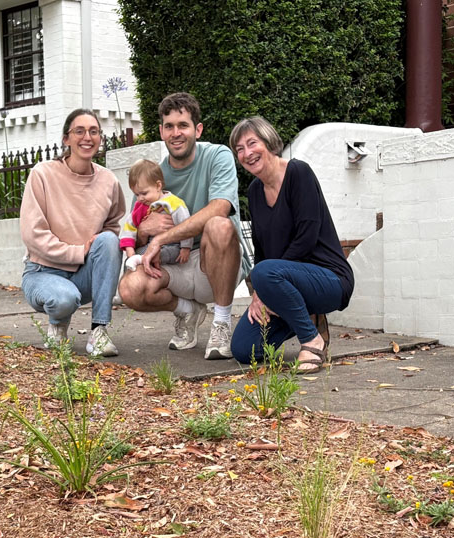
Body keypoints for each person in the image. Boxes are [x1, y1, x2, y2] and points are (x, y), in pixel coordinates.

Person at [117, 92, 251, 359]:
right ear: (161, 131)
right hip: (173, 266)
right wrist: (145, 232)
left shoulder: (217, 156)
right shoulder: (153, 176)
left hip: (213, 264)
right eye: (169, 127)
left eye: (183, 125)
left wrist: (161, 238)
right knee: (129, 289)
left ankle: (221, 323)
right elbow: (134, 230)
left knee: (218, 225)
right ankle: (188, 311)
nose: (176, 133)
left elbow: (221, 207)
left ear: (197, 129)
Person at [227, 116, 354, 372]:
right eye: (239, 149)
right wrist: (259, 294)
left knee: (264, 272)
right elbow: (261, 249)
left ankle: (311, 340)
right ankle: (306, 315)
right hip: (282, 284)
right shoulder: (254, 191)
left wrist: (264, 282)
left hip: (329, 279)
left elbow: (307, 238)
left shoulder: (298, 172)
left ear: (269, 142)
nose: (247, 153)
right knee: (244, 349)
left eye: (252, 143)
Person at [19, 108, 125, 357]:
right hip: (42, 272)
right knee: (65, 299)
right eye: (79, 131)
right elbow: (33, 234)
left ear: (100, 138)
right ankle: (58, 323)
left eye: (94, 131)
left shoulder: (109, 181)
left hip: (83, 274)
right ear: (66, 139)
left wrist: (92, 249)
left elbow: (112, 225)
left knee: (110, 240)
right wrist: (78, 251)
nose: (87, 137)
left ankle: (99, 331)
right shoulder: (42, 174)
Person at [120, 159, 192, 271]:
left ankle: (146, 259)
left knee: (169, 253)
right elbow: (129, 227)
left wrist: (186, 247)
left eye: (144, 193)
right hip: (150, 246)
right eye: (136, 194)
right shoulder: (140, 207)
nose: (139, 198)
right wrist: (130, 251)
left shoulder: (173, 203)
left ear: (158, 186)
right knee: (136, 256)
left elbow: (186, 226)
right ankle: (142, 258)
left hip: (172, 245)